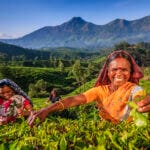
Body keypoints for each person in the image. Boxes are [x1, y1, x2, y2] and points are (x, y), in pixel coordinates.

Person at [28, 50, 150, 127]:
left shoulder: (134, 89)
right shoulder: (100, 91)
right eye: (114, 69)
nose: (119, 73)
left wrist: (143, 103)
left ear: (130, 72)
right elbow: (74, 99)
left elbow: (139, 98)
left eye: (124, 70)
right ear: (107, 72)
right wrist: (47, 109)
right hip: (106, 131)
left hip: (129, 133)